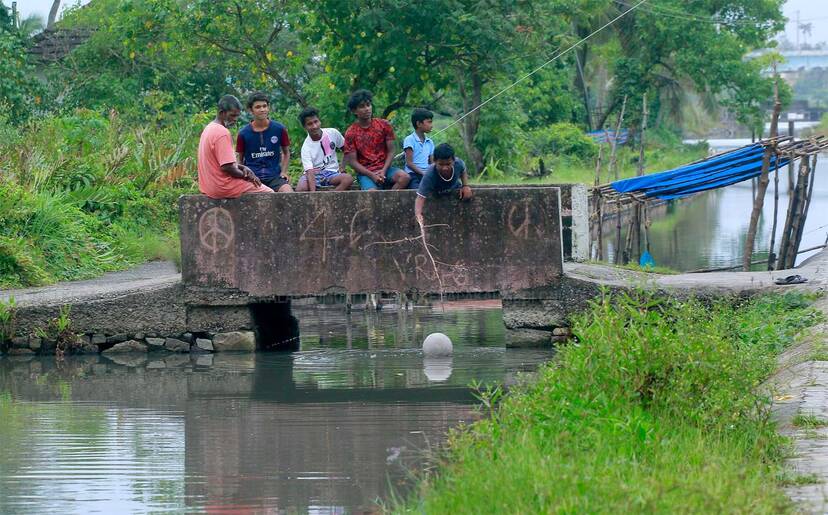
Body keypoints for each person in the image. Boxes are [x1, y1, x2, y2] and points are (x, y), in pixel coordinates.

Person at [197, 95, 273, 199]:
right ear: (221, 113)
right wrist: (247, 177)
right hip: (222, 186)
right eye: (232, 115)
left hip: (209, 186)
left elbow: (223, 162)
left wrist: (243, 167)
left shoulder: (209, 128)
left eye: (237, 116)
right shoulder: (222, 133)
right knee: (270, 194)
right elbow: (227, 167)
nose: (235, 119)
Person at [343, 89, 410, 190]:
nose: (367, 109)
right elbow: (353, 162)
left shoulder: (383, 125)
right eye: (362, 106)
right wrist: (372, 175)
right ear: (354, 111)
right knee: (372, 193)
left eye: (368, 105)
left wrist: (383, 171)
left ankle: (389, 202)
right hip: (366, 173)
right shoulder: (351, 132)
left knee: (404, 177)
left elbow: (391, 151)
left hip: (386, 169)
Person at [235, 92, 293, 192]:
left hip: (274, 177)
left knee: (288, 192)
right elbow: (240, 160)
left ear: (268, 107)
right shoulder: (243, 133)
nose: (262, 110)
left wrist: (283, 172)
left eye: (264, 106)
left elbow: (286, 152)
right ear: (250, 110)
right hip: (252, 179)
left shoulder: (279, 129)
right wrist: (242, 176)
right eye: (258, 107)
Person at [296, 107, 354, 191]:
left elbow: (347, 149)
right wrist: (314, 194)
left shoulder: (332, 133)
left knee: (348, 179)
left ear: (319, 121)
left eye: (316, 122)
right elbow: (310, 172)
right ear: (305, 127)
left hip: (332, 173)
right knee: (300, 188)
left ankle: (331, 197)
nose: (314, 126)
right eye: (310, 124)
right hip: (314, 175)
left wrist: (342, 167)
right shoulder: (306, 147)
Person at [414, 143, 473, 224]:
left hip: (455, 188)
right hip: (437, 193)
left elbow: (463, 170)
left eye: (448, 164)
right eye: (441, 164)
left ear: (453, 160)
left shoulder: (458, 164)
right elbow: (420, 197)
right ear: (434, 161)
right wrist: (418, 214)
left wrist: (465, 186)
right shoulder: (430, 174)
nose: (445, 168)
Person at [403, 108, 434, 190]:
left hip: (426, 173)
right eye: (429, 122)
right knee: (416, 190)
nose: (431, 125)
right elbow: (409, 163)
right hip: (413, 174)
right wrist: (423, 173)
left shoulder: (429, 142)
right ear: (419, 124)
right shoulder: (409, 140)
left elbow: (432, 162)